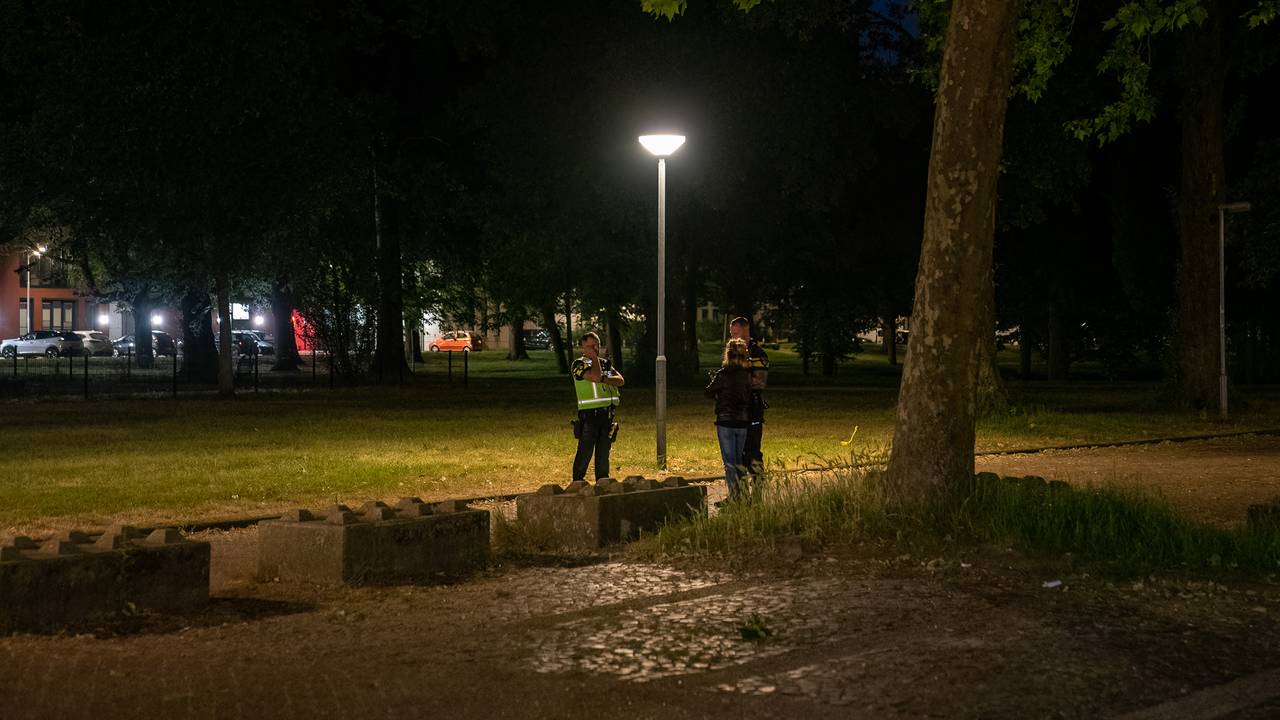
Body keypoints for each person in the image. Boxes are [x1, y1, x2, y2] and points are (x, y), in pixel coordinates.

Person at [570, 332, 624, 482]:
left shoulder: (604, 364)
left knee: (603, 450)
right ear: (583, 347)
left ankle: (603, 481)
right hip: (590, 415)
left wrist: (604, 379)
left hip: (607, 413)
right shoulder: (579, 364)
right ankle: (577, 481)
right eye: (591, 346)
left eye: (597, 345)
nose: (595, 349)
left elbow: (620, 380)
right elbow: (594, 377)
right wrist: (594, 359)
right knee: (585, 450)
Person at [705, 338, 752, 500]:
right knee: (739, 460)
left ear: (728, 354)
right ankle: (744, 495)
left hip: (725, 420)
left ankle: (734, 496)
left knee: (729, 462)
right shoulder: (747, 375)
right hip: (743, 420)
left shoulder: (723, 374)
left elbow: (708, 392)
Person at [729, 316, 770, 480]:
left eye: (736, 334)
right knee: (736, 453)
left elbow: (760, 383)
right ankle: (740, 491)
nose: (733, 338)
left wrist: (738, 380)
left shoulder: (758, 354)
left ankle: (758, 488)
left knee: (752, 451)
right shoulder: (733, 353)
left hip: (752, 409)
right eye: (731, 334)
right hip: (735, 410)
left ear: (745, 331)